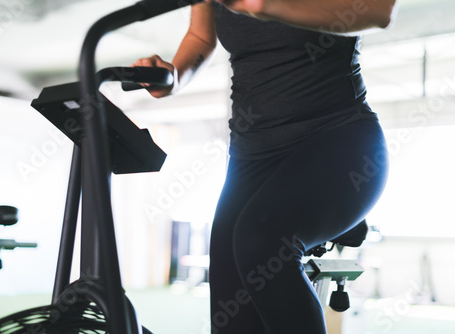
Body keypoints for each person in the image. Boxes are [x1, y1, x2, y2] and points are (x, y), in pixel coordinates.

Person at [133, 0, 397, 333]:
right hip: (250, 157)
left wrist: (268, 6)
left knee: (260, 242)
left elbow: (378, 11)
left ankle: (327, 208)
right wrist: (172, 77)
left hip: (337, 139)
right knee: (232, 313)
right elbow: (201, 37)